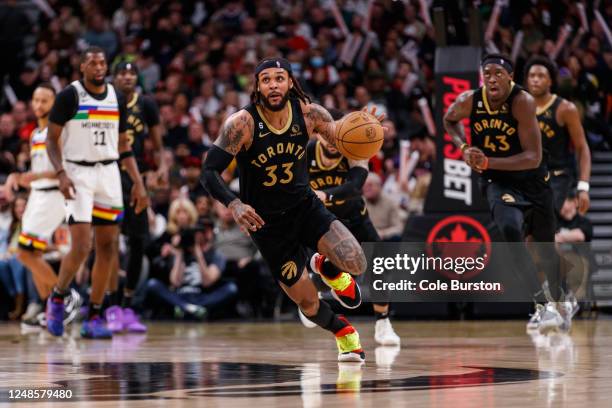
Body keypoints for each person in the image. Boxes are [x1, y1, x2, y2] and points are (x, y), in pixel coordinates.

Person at [202, 58, 382, 362]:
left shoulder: (308, 114)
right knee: (308, 305)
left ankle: (328, 269)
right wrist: (234, 204)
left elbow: (340, 138)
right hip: (266, 224)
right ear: (258, 86)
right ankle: (344, 332)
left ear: (290, 83)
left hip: (304, 206)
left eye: (280, 78)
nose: (274, 84)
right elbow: (209, 172)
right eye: (267, 79)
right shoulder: (241, 124)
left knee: (357, 262)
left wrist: (368, 130)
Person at [443, 53, 570, 334]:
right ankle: (540, 305)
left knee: (545, 249)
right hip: (497, 181)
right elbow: (449, 120)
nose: (491, 79)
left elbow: (534, 157)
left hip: (532, 179)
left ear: (510, 77)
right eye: (486, 73)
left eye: (497, 73)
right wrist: (463, 148)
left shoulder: (522, 101)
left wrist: (487, 160)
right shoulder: (469, 100)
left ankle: (562, 296)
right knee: (510, 229)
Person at [45, 46, 148, 339]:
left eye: (102, 62)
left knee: (108, 247)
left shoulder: (117, 96)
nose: (99, 67)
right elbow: (52, 141)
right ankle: (57, 296)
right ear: (82, 67)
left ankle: (95, 313)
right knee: (81, 246)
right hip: (78, 173)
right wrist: (61, 173)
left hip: (109, 172)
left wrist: (138, 182)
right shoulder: (69, 95)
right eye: (93, 63)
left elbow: (124, 144)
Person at [301, 109, 400, 346]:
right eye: (329, 133)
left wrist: (325, 194)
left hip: (354, 217)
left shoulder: (355, 148)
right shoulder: (307, 152)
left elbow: (356, 186)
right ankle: (310, 298)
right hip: (322, 221)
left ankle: (383, 323)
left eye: (338, 132)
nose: (334, 139)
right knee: (314, 266)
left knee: (379, 265)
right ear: (319, 133)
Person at [3, 84, 82, 330]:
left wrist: (33, 178)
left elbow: (63, 169)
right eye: (36, 100)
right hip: (37, 196)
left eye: (44, 101)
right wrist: (20, 177)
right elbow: (37, 171)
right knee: (33, 254)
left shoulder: (59, 130)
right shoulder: (35, 133)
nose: (38, 105)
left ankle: (66, 295)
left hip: (52, 196)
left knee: (24, 252)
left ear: (54, 103)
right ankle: (51, 309)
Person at [104, 61, 167, 334]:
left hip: (136, 177)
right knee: (107, 240)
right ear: (114, 78)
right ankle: (109, 305)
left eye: (131, 73)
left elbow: (158, 144)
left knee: (138, 240)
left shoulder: (146, 104)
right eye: (122, 73)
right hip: (107, 173)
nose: (127, 77)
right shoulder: (105, 102)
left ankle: (128, 304)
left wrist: (162, 167)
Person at [524, 56, 591, 215]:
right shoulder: (520, 107)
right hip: (528, 175)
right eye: (532, 76)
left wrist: (583, 187)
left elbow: (582, 148)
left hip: (557, 176)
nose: (535, 80)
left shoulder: (565, 109)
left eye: (541, 76)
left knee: (539, 223)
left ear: (550, 81)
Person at [146, 219, 237, 319]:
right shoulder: (180, 252)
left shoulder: (216, 255)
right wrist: (179, 253)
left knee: (231, 288)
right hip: (179, 295)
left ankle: (185, 308)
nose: (199, 236)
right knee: (153, 284)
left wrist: (198, 253)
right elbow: (176, 282)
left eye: (203, 232)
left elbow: (207, 282)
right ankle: (191, 309)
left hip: (203, 296)